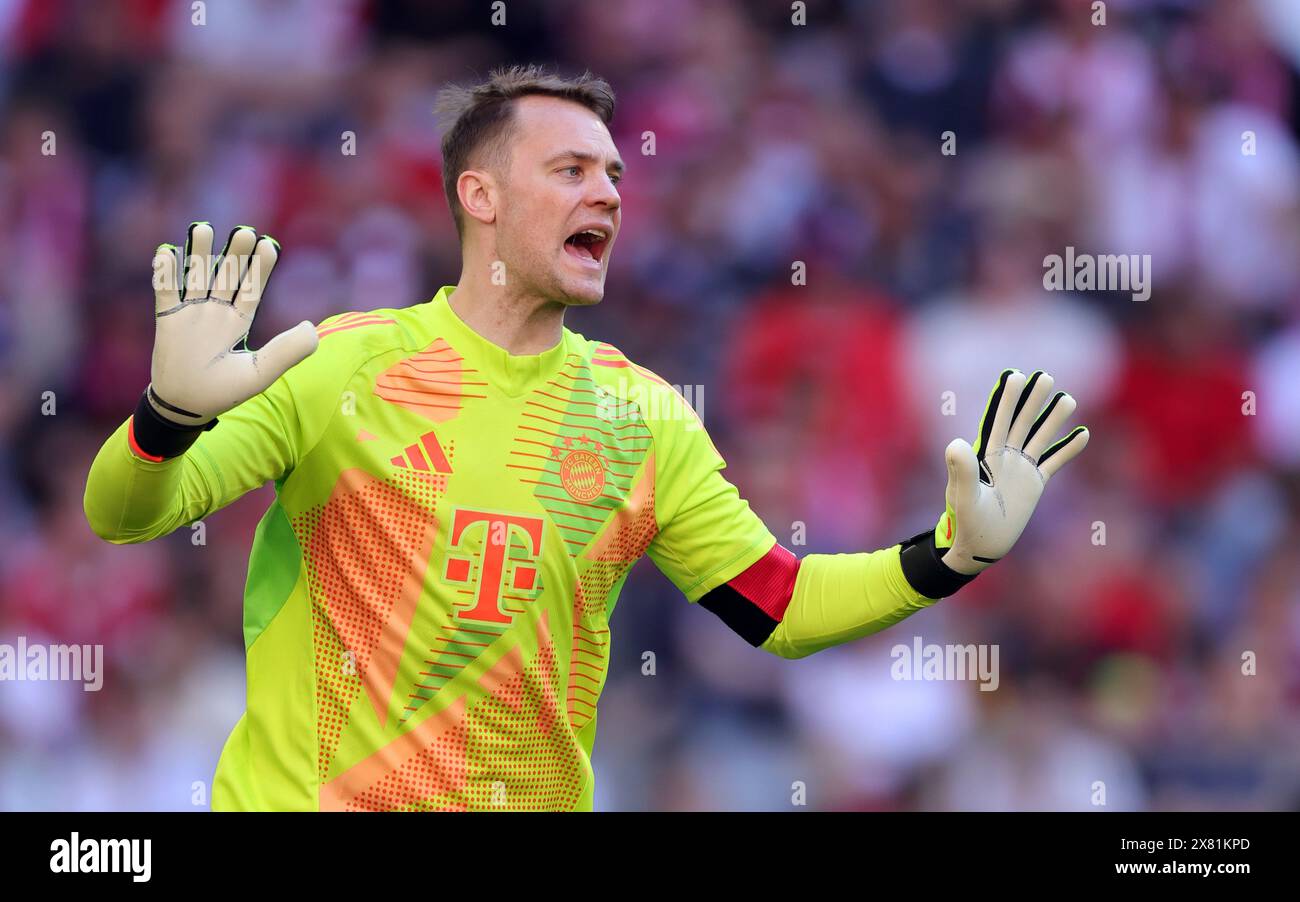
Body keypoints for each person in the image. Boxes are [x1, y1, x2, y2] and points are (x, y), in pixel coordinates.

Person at [82, 64, 1089, 812]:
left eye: (611, 173)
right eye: (569, 170)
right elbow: (127, 511)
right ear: (480, 197)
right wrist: (168, 417)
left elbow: (777, 606)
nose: (608, 193)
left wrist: (950, 557)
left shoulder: (641, 416)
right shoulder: (344, 364)